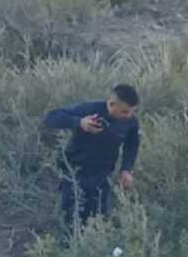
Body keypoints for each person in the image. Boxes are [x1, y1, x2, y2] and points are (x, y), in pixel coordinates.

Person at [44, 85, 141, 230]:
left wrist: (126, 169)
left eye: (132, 111)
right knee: (71, 220)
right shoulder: (90, 109)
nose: (128, 115)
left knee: (98, 222)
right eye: (124, 111)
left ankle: (91, 250)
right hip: (75, 174)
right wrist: (79, 123)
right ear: (111, 104)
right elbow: (52, 117)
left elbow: (132, 145)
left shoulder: (131, 122)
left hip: (102, 178)